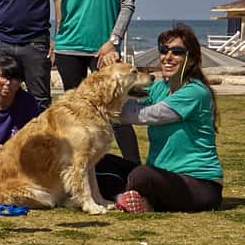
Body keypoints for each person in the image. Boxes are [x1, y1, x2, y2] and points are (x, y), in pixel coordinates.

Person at [39, 0, 141, 161]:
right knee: (79, 117)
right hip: (69, 47)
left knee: (117, 114)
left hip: (104, 51)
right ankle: (80, 173)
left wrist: (113, 41)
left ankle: (134, 173)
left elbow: (127, 4)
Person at [95, 25, 223, 213]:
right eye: (164, 51)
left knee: (141, 176)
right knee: (97, 161)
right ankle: (125, 198)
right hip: (163, 175)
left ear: (192, 59)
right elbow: (123, 103)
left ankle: (141, 198)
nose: (168, 57)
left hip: (199, 184)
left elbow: (142, 114)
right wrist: (115, 70)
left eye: (177, 52)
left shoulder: (195, 92)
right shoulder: (159, 88)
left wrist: (111, 103)